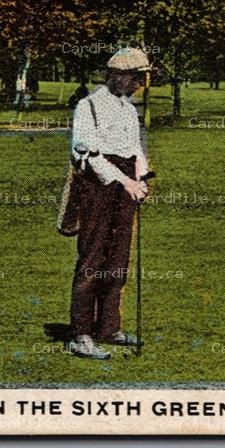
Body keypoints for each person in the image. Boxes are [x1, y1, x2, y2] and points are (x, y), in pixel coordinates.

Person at [65, 47, 153, 359]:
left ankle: (109, 328)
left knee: (118, 259)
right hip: (98, 187)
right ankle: (81, 333)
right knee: (93, 259)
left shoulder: (129, 108)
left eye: (141, 78)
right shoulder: (88, 106)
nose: (139, 84)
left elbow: (135, 148)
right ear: (115, 75)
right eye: (134, 77)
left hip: (126, 187)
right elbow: (85, 154)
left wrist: (141, 177)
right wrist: (125, 181)